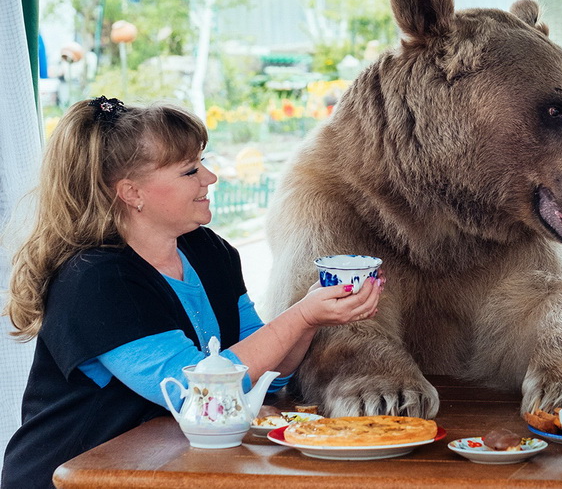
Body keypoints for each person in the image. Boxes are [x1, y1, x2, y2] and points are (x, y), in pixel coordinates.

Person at [1, 97, 382, 489]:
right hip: (71, 477)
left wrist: (312, 315)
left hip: (164, 469)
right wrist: (302, 315)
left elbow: (269, 374)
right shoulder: (96, 280)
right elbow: (199, 396)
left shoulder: (208, 250)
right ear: (132, 193)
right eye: (189, 171)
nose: (210, 177)